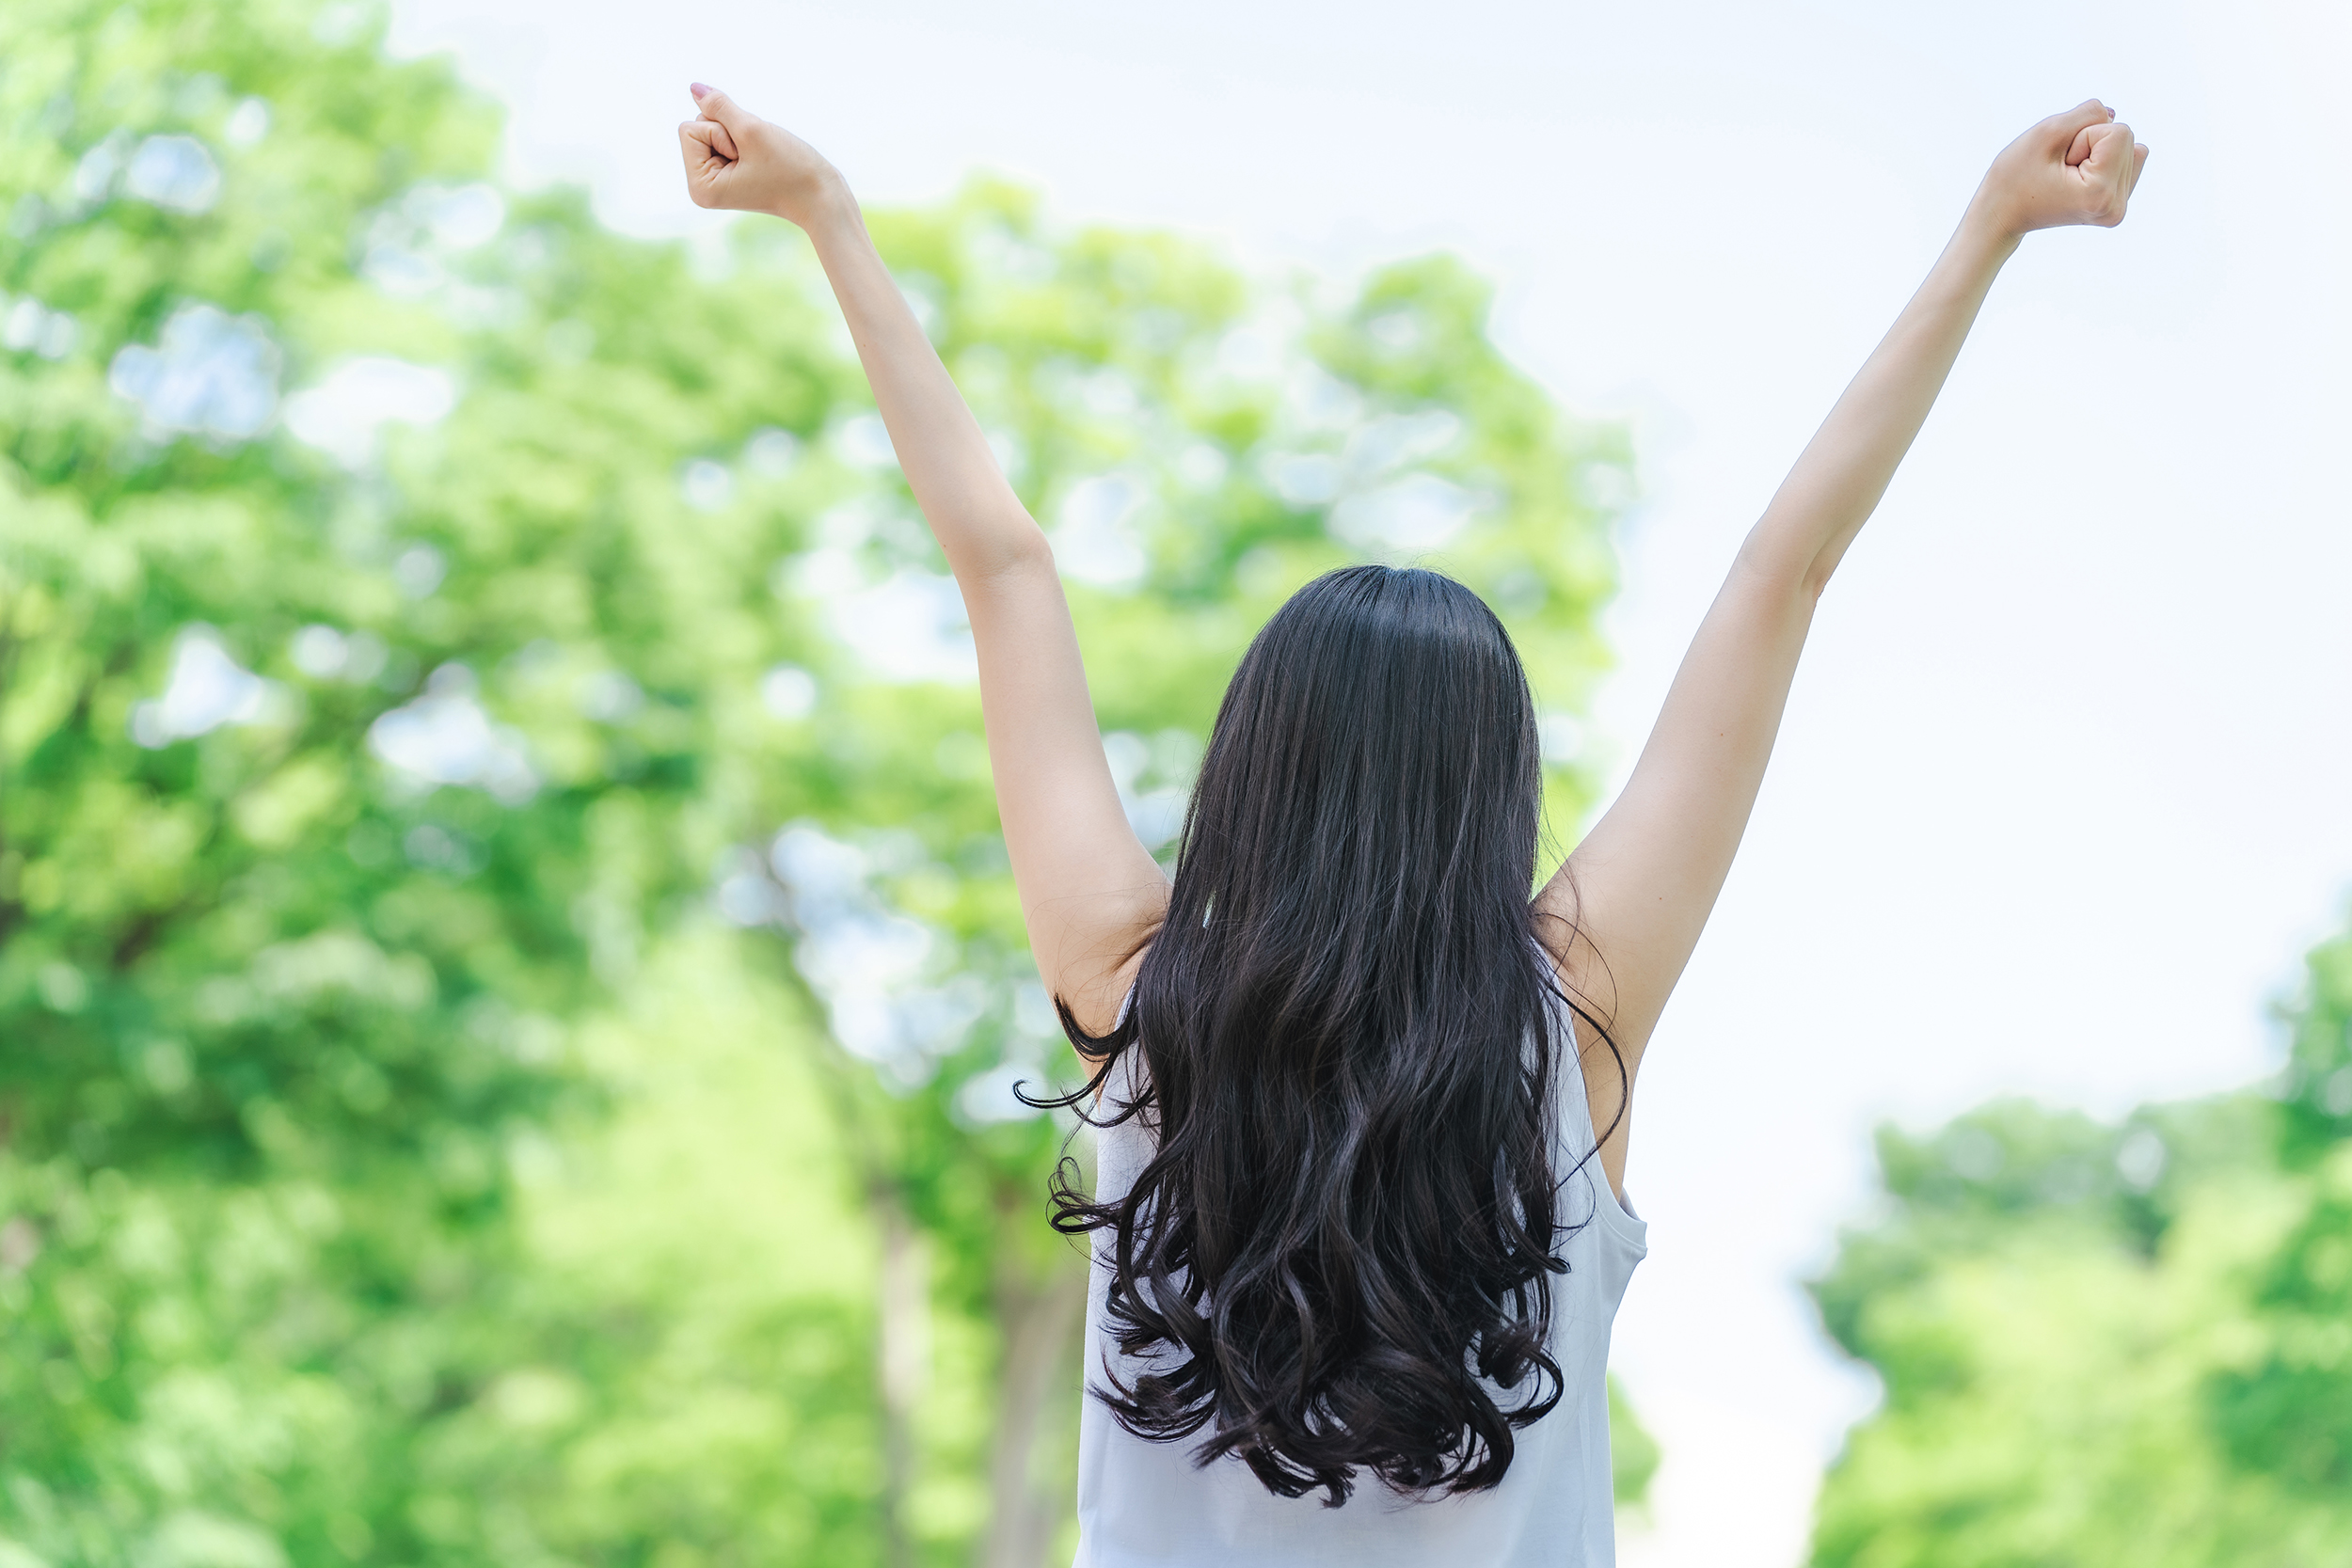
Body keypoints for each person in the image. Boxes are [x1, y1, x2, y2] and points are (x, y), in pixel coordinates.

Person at [678, 87, 2147, 1566]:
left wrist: (827, 217)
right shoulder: (1571, 1021)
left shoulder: (1138, 1003)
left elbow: (1002, 566)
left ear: (1252, 775)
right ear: (1490, 801)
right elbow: (1784, 573)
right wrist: (1992, 228)